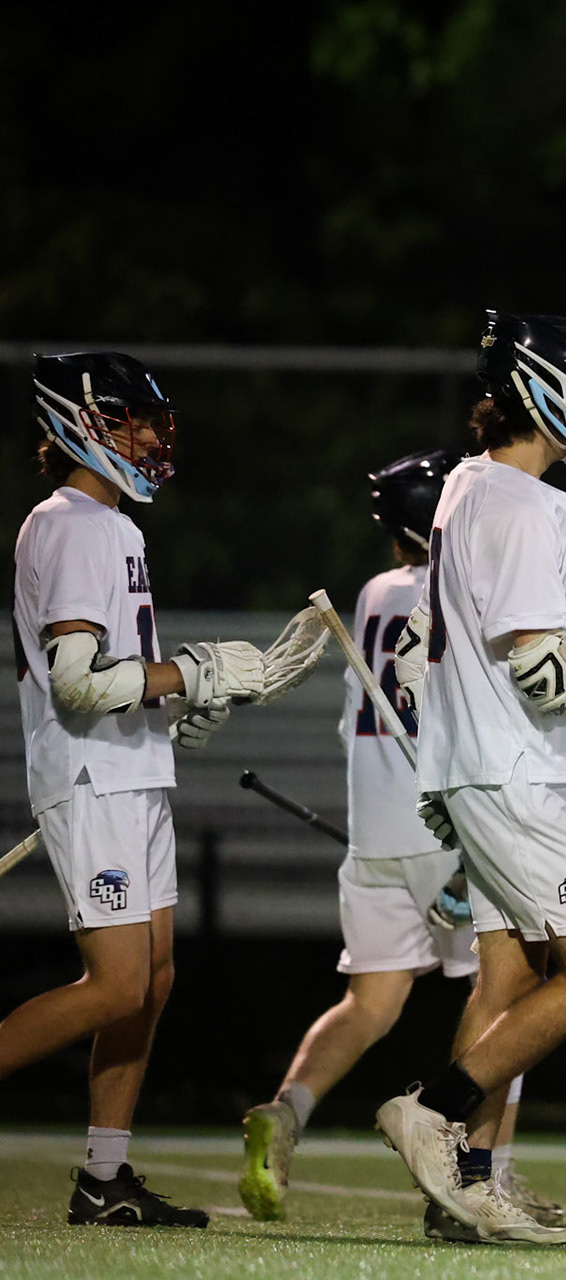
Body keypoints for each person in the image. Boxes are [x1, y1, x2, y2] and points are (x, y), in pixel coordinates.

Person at [373, 312, 566, 1245]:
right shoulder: (527, 502)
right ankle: (432, 1111)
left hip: (480, 768)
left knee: (509, 972)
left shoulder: (464, 488)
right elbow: (543, 674)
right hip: (514, 773)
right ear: (541, 391)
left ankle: (469, 1182)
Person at [238, 448, 564, 1233]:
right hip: (449, 823)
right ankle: (478, 1172)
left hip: (373, 827)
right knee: (509, 1000)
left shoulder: (376, 591)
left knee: (370, 1002)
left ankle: (287, 1110)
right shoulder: (459, 586)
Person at [6, 352, 271, 1228]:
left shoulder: (110, 524)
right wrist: (190, 673)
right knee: (116, 986)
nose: (153, 437)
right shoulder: (77, 522)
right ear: (77, 423)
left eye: (154, 421)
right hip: (93, 778)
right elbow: (78, 681)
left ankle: (103, 1178)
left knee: (151, 982)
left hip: (127, 770)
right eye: (133, 420)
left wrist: (178, 702)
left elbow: (118, 677)